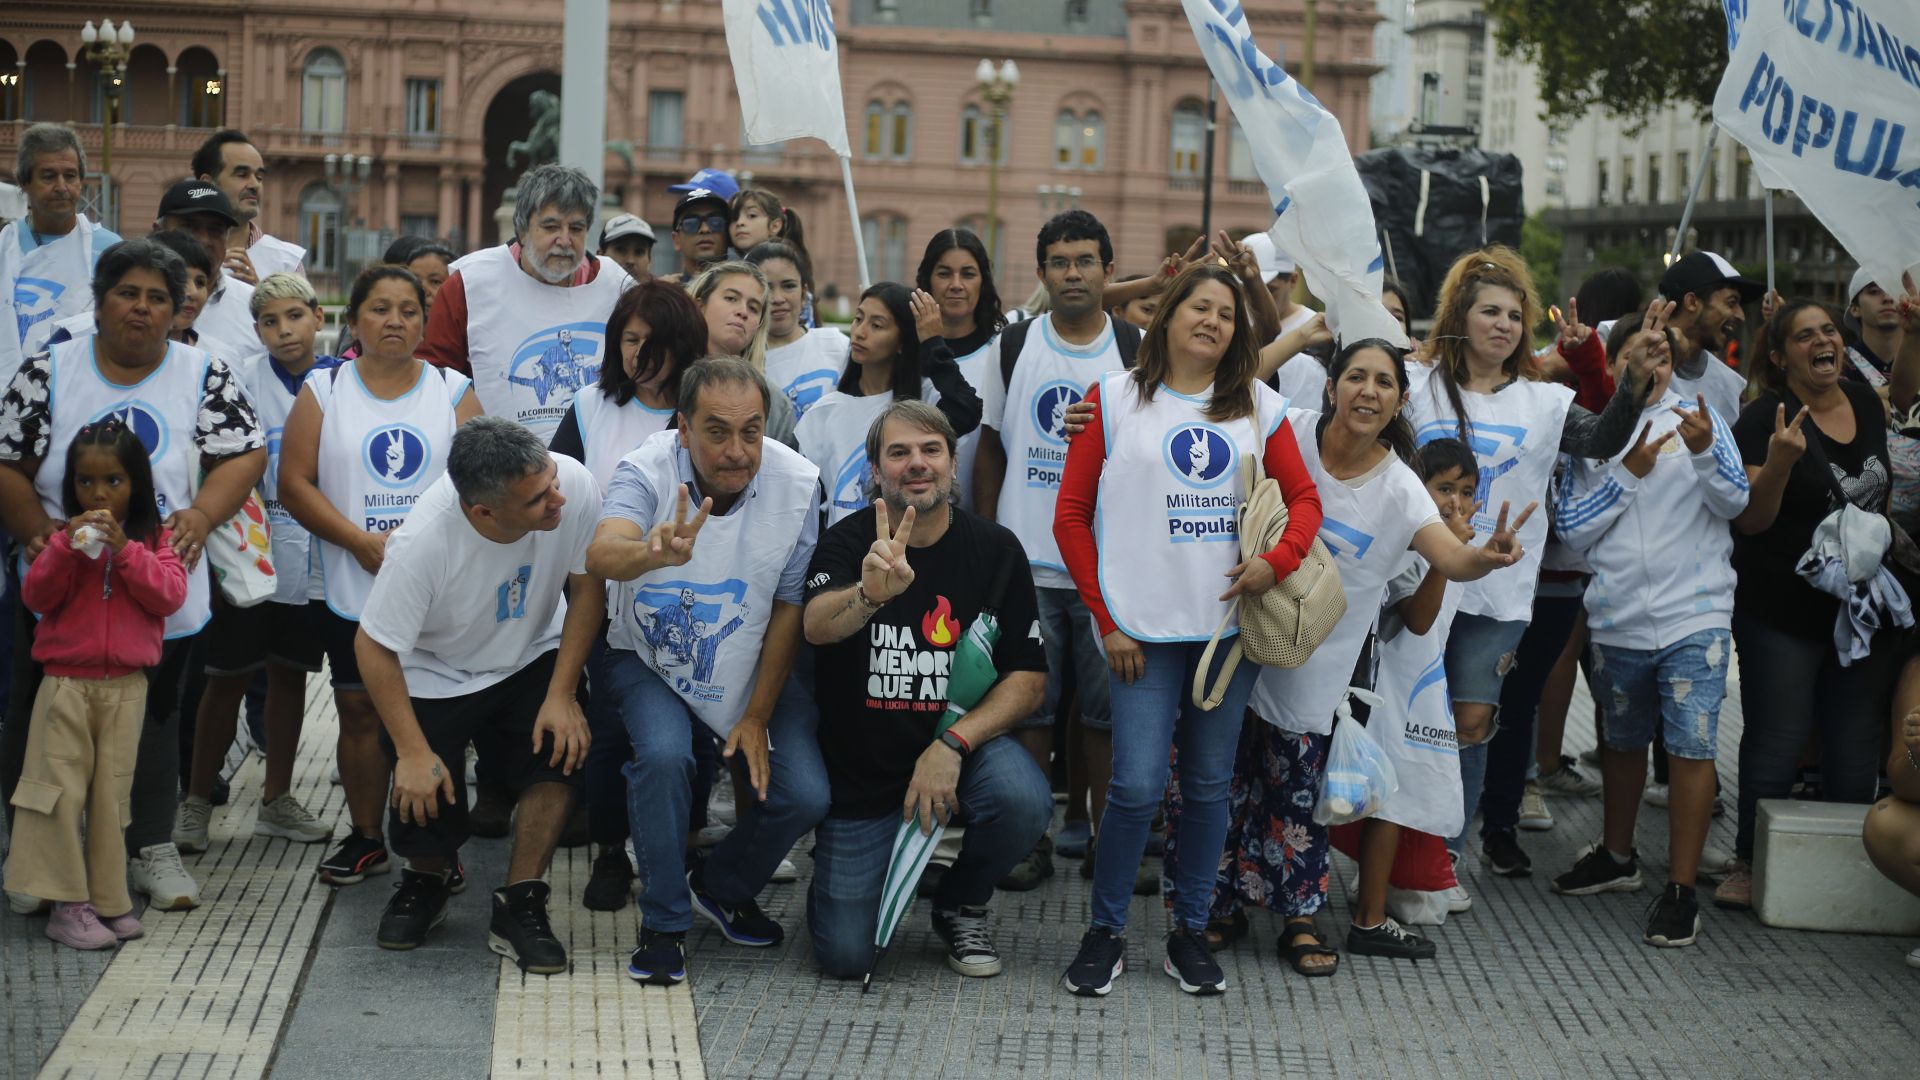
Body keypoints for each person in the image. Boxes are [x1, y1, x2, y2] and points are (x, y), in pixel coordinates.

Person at [1178, 340, 1531, 972]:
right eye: (1357, 377)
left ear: (1399, 400)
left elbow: (1450, 559)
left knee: (1297, 798)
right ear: (1334, 385)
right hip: (1236, 635)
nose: (1369, 391)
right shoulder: (1291, 432)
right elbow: (1238, 382)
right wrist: (1305, 323)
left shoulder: (1400, 487)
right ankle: (1217, 906)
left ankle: (1299, 919)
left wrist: (1489, 555)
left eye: (1385, 383)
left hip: (1319, 671)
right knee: (1222, 782)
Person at [1052, 262, 1322, 997]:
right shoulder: (1109, 401)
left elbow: (1304, 501)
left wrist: (1275, 562)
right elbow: (1071, 518)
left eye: (1227, 314)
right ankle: (1105, 933)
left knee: (1207, 789)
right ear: (1167, 316)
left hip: (1225, 636)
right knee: (1135, 789)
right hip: (1136, 634)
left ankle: (1188, 932)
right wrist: (1106, 621)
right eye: (1198, 307)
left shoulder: (1259, 407)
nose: (1212, 321)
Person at [0, 237, 266, 913]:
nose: (141, 309)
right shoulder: (50, 368)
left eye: (157, 298)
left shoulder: (201, 371)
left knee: (153, 726)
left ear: (178, 311)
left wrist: (203, 516)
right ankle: (40, 862)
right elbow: (7, 461)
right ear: (99, 300)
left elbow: (244, 452)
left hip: (160, 590)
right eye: (127, 293)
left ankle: (151, 846)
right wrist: (35, 530)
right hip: (63, 595)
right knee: (41, 728)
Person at [1405, 247, 1656, 880]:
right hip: (1414, 583)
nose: (1503, 325)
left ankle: (1446, 859)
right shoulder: (1413, 385)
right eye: (1489, 311)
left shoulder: (1545, 402)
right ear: (1459, 315)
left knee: (1471, 721)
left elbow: (1603, 440)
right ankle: (1393, 856)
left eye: (1514, 315)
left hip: (1498, 594)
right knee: (1408, 717)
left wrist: (1633, 384)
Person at [585, 358, 829, 986]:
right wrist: (650, 551)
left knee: (804, 792)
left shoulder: (798, 483)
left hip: (749, 651)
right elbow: (600, 551)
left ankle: (720, 887)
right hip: (644, 652)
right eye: (716, 431)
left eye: (751, 431)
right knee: (665, 757)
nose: (737, 450)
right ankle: (664, 922)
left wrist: (755, 716)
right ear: (683, 429)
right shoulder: (646, 467)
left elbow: (789, 605)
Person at [801, 400, 1051, 978]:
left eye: (930, 450)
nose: (917, 463)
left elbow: (1029, 679)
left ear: (953, 464)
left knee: (1024, 799)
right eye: (899, 453)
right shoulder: (847, 542)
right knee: (844, 959)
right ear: (874, 470)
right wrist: (870, 595)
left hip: (958, 750)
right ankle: (849, 876)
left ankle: (959, 900)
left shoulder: (996, 549)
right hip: (861, 775)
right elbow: (816, 626)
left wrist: (952, 746)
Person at [355, 417, 603, 972]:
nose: (558, 498)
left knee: (559, 755)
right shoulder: (424, 541)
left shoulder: (574, 484)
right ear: (483, 512)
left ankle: (521, 898)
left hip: (533, 647)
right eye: (539, 499)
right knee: (422, 783)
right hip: (436, 666)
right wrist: (414, 754)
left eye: (553, 479)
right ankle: (427, 877)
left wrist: (563, 694)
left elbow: (588, 588)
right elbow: (372, 647)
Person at [1549, 306, 1748, 948]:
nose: (1652, 368)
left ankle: (1683, 889)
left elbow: (1737, 500)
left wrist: (1705, 456)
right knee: (1623, 743)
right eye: (1638, 356)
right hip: (1617, 618)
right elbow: (1573, 531)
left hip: (1698, 614)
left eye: (1661, 357)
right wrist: (1628, 474)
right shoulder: (1593, 437)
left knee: (1691, 747)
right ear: (1614, 367)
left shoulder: (1701, 418)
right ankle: (1617, 855)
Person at [278, 265, 481, 888]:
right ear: (354, 319)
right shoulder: (324, 389)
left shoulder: (451, 389)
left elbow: (480, 481)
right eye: (380, 309)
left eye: (408, 310)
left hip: (436, 586)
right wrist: (357, 541)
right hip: (352, 578)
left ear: (424, 322)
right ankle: (366, 835)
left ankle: (435, 850)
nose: (395, 321)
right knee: (360, 711)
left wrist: (425, 547)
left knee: (434, 716)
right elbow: (293, 483)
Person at [971, 210, 1141, 889]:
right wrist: (989, 544)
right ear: (1042, 272)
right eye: (1061, 262)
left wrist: (1107, 430)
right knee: (1031, 708)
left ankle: (1104, 842)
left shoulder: (1135, 348)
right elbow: (989, 446)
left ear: (1107, 268)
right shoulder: (1011, 346)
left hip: (1108, 568)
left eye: (1086, 260)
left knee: (1104, 715)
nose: (1074, 273)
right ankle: (1030, 839)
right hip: (1027, 562)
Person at [1722, 298, 1895, 910]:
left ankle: (1854, 865)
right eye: (1804, 336)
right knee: (1780, 733)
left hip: (1859, 609)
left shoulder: (1867, 400)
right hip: (1781, 608)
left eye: (1829, 331)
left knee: (1854, 736)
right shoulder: (1763, 417)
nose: (1823, 342)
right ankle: (1750, 862)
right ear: (1779, 356)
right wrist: (1777, 465)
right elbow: (1749, 520)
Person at [549, 283, 709, 910]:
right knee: (613, 730)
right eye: (630, 339)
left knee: (693, 737)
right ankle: (612, 848)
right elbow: (560, 494)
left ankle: (683, 845)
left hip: (690, 596)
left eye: (656, 341)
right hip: (605, 601)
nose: (642, 353)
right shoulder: (590, 406)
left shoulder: (701, 406)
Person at [174, 273, 341, 855]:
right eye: (269, 321)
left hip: (312, 551)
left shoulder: (341, 381)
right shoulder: (241, 379)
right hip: (246, 549)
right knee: (227, 677)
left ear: (318, 317)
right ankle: (195, 800)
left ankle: (276, 800)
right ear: (256, 330)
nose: (283, 330)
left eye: (293, 316)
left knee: (290, 675)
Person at [3, 420, 186, 947]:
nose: (99, 494)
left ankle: (108, 899)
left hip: (127, 687)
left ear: (138, 484)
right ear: (71, 488)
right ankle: (67, 903)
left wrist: (127, 551)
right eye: (85, 483)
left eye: (113, 481)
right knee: (57, 795)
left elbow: (169, 595)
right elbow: (37, 596)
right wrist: (61, 548)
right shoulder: (61, 539)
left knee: (112, 798)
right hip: (64, 686)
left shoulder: (155, 539)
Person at [421, 164, 634, 441]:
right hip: (495, 466)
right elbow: (436, 382)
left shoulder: (619, 287)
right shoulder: (469, 284)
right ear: (522, 230)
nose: (565, 240)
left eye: (577, 228)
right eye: (551, 226)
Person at [798, 283, 981, 527]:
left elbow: (966, 411)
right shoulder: (824, 411)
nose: (859, 332)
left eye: (876, 325)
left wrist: (933, 343)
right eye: (858, 319)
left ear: (903, 341)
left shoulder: (924, 402)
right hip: (846, 550)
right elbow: (810, 506)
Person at [0, 123, 124, 388]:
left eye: (70, 176)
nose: (61, 186)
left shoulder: (111, 250)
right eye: (48, 176)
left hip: (84, 394)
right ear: (24, 183)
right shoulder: (4, 246)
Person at [915, 229, 1008, 512]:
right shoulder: (903, 349)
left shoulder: (1004, 349)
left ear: (984, 281)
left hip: (978, 519)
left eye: (968, 274)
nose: (956, 284)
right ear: (927, 280)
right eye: (944, 273)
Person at [152, 179, 265, 363]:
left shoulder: (254, 305)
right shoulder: (128, 301)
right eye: (190, 227)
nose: (204, 240)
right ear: (158, 231)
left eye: (215, 230)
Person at [190, 128, 307, 283]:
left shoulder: (287, 263)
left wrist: (258, 296)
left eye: (259, 177)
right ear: (208, 184)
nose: (254, 185)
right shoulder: (172, 254)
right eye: (242, 175)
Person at [749, 241, 848, 422]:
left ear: (804, 294)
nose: (778, 298)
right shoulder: (744, 363)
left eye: (788, 286)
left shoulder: (836, 344)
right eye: (767, 288)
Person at [1657, 251, 1761, 421]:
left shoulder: (1728, 385)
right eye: (1731, 303)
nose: (1741, 316)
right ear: (1692, 302)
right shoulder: (1629, 358)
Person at [1844, 266, 1907, 386]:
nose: (1888, 298)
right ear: (1855, 308)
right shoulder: (1841, 364)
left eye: (1895, 290)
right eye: (1874, 292)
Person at [666, 188, 733, 286]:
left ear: (728, 234)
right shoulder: (667, 297)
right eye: (691, 224)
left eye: (716, 222)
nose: (705, 229)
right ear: (676, 240)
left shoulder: (749, 290)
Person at [728, 189, 804, 258]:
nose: (739, 222)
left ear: (775, 226)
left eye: (752, 215)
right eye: (734, 218)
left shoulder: (782, 264)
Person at [599, 214, 656, 284]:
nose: (630, 261)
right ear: (600, 256)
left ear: (649, 260)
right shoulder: (583, 292)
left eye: (639, 252)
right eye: (620, 249)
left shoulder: (663, 294)